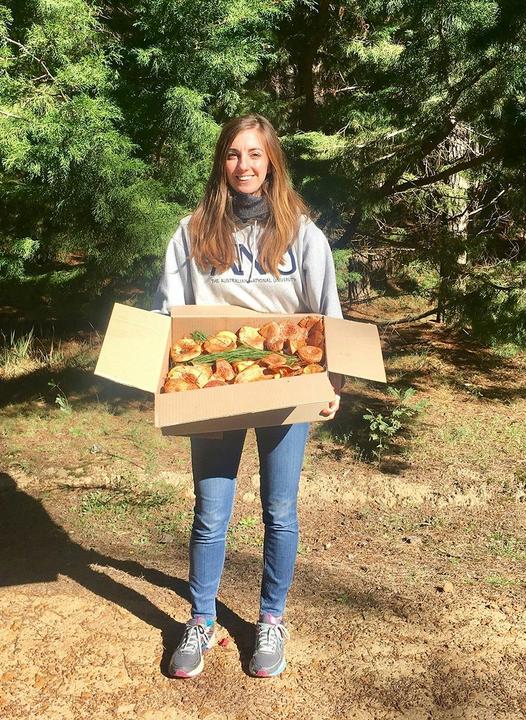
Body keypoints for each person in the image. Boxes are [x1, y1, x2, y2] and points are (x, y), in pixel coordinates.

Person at [153, 114, 343, 678]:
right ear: (222, 162)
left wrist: (331, 382)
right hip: (211, 385)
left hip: (286, 383)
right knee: (211, 513)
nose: (245, 166)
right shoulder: (192, 232)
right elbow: (171, 313)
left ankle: (270, 620)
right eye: (235, 155)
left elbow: (326, 312)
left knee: (280, 511)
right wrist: (162, 379)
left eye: (255, 155)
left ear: (272, 163)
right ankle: (201, 620)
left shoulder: (303, 235)